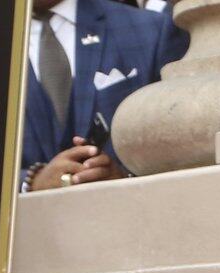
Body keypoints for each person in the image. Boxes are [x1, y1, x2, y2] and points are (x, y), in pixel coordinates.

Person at [20, 0, 187, 192]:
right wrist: (30, 182)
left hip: (133, 205)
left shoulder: (152, 29)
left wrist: (125, 178)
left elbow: (180, 142)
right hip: (19, 210)